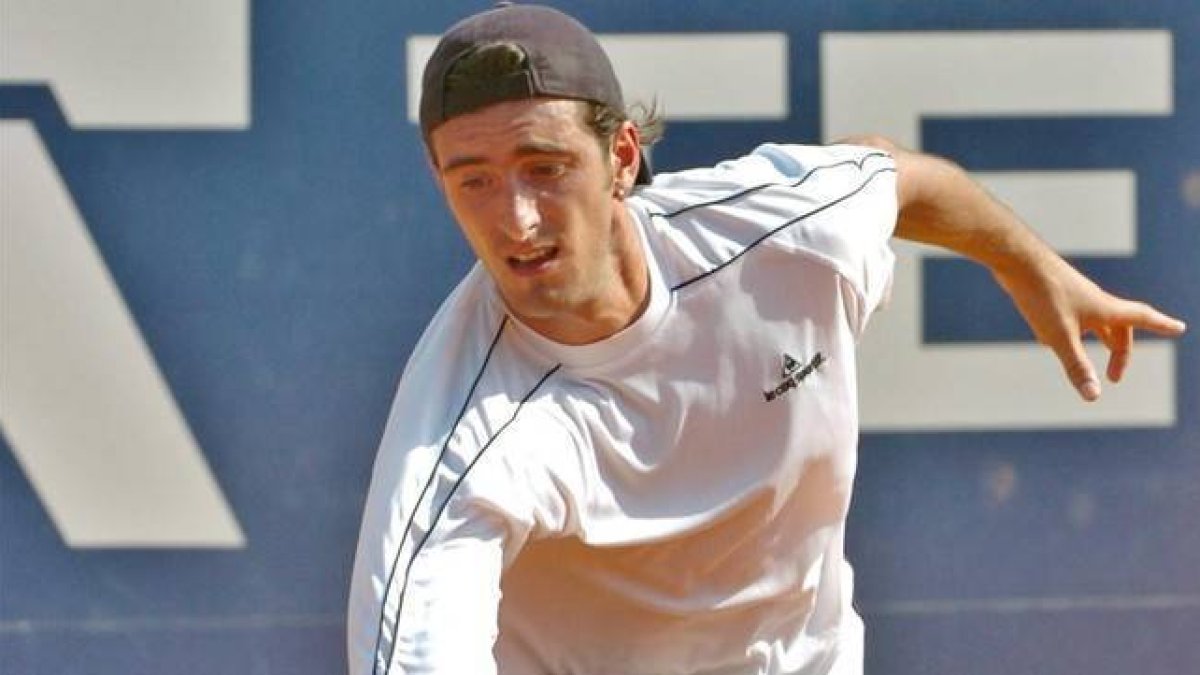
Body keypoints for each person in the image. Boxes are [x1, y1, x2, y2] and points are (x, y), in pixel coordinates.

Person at [347, 4, 1187, 674]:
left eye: (545, 166)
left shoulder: (777, 231)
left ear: (624, 157)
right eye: (476, 182)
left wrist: (1028, 264)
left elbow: (889, 175)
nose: (516, 219)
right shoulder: (459, 448)